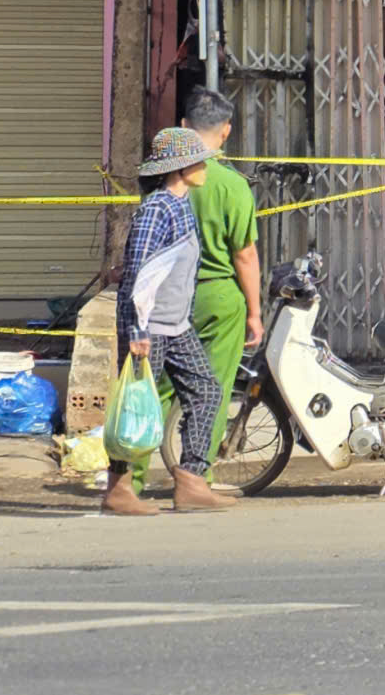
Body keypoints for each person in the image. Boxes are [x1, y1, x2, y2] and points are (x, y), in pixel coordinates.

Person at [107, 127, 232, 515]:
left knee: (207, 392)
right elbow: (138, 273)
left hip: (177, 326)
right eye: (199, 162)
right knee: (136, 404)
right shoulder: (156, 209)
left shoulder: (182, 205)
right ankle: (119, 489)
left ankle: (192, 481)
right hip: (150, 328)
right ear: (180, 169)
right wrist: (137, 331)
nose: (205, 169)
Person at [183, 88, 261, 468]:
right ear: (226, 131)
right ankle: (197, 475)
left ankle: (128, 475)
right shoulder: (232, 185)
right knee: (213, 388)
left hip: (169, 296)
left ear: (183, 127)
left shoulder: (167, 177)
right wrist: (254, 313)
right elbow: (244, 255)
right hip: (218, 297)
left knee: (161, 385)